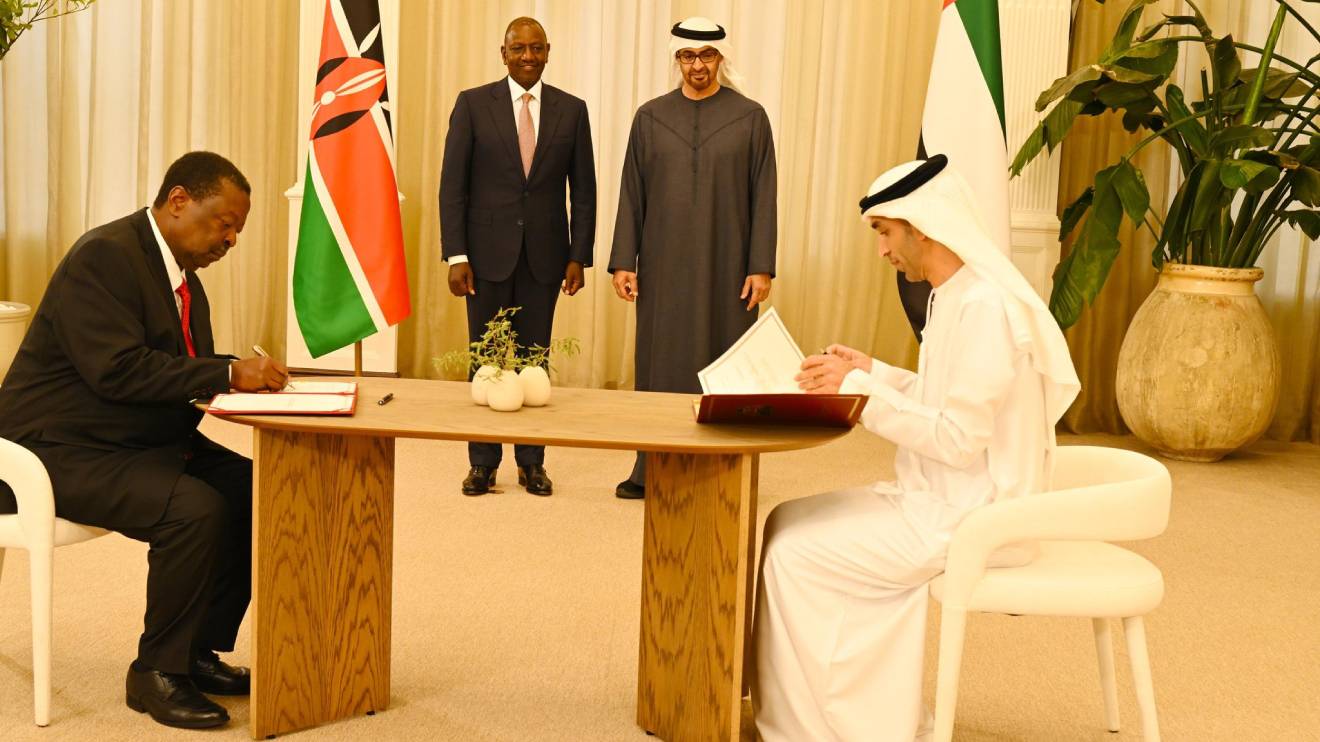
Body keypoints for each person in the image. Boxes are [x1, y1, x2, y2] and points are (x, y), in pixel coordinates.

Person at [751, 155, 1081, 741]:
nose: (882, 250)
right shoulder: (953, 293)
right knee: (784, 521)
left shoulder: (984, 307)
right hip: (939, 497)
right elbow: (943, 398)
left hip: (972, 515)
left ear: (921, 225)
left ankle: (813, 731)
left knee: (794, 554)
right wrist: (872, 370)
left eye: (884, 232)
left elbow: (955, 439)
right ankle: (855, 719)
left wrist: (858, 393)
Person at [0, 152, 288, 729]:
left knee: (255, 491)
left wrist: (244, 385)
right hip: (54, 447)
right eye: (223, 223)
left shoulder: (184, 280)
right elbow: (119, 370)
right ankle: (155, 673)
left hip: (131, 435)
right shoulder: (105, 256)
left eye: (237, 229)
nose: (230, 239)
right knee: (194, 510)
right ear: (178, 200)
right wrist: (228, 372)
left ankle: (196, 651)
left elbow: (177, 373)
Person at [608, 16, 777, 499]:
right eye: (687, 56)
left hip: (730, 268)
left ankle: (723, 468)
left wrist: (760, 265)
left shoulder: (750, 117)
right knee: (662, 361)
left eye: (706, 56)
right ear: (676, 59)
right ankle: (652, 467)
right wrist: (625, 261)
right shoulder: (651, 117)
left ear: (721, 59)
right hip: (663, 267)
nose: (696, 65)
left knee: (729, 364)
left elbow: (765, 194)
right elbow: (631, 194)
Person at [440, 16, 596, 497]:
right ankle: (483, 463)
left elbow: (584, 191)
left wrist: (579, 256)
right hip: (484, 260)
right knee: (486, 361)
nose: (527, 57)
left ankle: (532, 462)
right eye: (518, 49)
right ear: (503, 53)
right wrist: (455, 256)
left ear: (548, 52)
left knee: (534, 363)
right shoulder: (472, 105)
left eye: (536, 49)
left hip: (545, 259)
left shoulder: (572, 110)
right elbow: (453, 187)